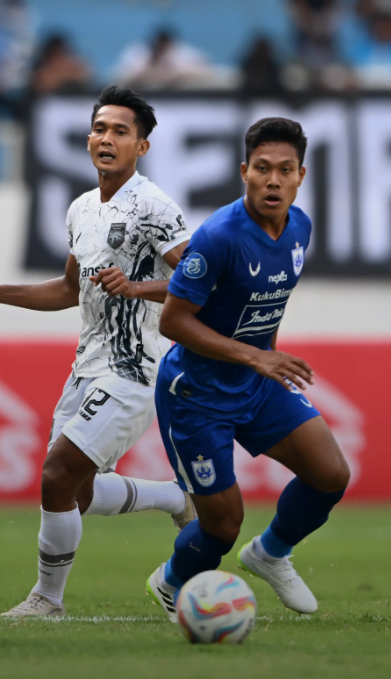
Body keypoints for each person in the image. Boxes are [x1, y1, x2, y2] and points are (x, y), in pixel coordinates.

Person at [0, 86, 195, 617]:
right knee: (77, 493)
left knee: (54, 476)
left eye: (120, 131)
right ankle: (174, 498)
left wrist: (138, 288)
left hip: (135, 369)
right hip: (86, 366)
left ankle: (47, 599)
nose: (106, 138)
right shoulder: (80, 209)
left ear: (141, 146)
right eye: (100, 128)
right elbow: (70, 290)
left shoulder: (154, 205)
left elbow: (201, 277)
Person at [148, 118, 350, 620]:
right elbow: (173, 321)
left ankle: (271, 553)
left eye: (285, 170)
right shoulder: (218, 236)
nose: (274, 180)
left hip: (256, 384)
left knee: (330, 474)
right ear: (244, 172)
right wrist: (256, 356)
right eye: (263, 169)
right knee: (222, 526)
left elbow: (260, 308)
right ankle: (171, 581)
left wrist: (265, 359)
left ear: (301, 175)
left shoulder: (300, 226)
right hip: (195, 394)